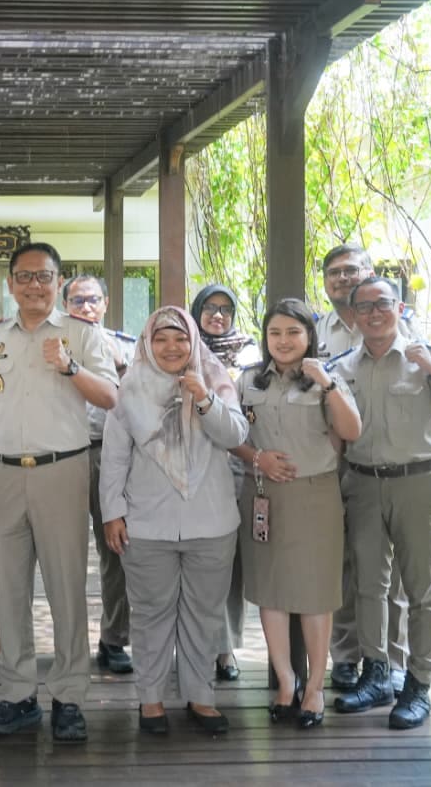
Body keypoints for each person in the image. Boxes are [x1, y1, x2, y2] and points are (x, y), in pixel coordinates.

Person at [0, 242, 119, 743]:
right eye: (25, 276)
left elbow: (111, 397)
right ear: (10, 284)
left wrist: (71, 367)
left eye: (44, 276)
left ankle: (69, 696)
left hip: (63, 471)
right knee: (9, 589)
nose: (35, 285)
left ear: (59, 282)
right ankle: (18, 694)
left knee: (66, 587)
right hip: (6, 474)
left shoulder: (82, 333)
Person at [333, 276, 431, 730]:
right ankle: (376, 673)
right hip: (363, 483)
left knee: (421, 590)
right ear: (353, 316)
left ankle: (419, 683)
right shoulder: (342, 367)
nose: (374, 313)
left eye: (383, 303)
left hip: (417, 483)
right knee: (367, 585)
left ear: (399, 308)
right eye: (364, 306)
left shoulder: (427, 357)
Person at [100, 306, 248, 736]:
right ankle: (151, 699)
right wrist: (112, 513)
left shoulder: (215, 381)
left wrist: (204, 399)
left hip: (212, 521)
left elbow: (235, 436)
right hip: (146, 522)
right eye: (161, 338)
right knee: (150, 613)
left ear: (193, 342)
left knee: (204, 613)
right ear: (147, 343)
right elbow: (114, 459)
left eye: (181, 338)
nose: (171, 347)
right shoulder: (130, 389)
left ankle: (201, 697)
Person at [229, 299, 362, 729]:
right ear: (265, 338)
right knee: (271, 589)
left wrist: (328, 385)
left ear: (309, 336)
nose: (283, 341)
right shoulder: (248, 380)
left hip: (315, 495)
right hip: (263, 493)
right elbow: (231, 434)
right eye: (275, 333)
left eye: (293, 332)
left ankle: (314, 687)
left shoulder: (327, 378)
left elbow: (351, 431)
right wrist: (258, 459)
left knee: (314, 592)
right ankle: (286, 681)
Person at [316, 244, 411, 694]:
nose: (342, 278)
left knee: (391, 575)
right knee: (343, 564)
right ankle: (346, 656)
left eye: (351, 270)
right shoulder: (317, 331)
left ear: (369, 272)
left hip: (392, 465)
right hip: (339, 464)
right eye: (334, 272)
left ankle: (391, 661)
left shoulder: (398, 326)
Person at [62, 274, 135, 675]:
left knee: (116, 549)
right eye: (77, 301)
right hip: (64, 456)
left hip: (111, 455)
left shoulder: (126, 347)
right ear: (65, 306)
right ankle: (69, 643)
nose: (86, 307)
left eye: (93, 300)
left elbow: (138, 401)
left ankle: (114, 638)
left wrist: (120, 364)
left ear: (106, 303)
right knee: (63, 552)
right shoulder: (52, 345)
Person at [190, 283, 261, 682]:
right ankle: (192, 643)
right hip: (189, 468)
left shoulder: (250, 355)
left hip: (236, 466)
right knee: (193, 557)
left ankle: (225, 647)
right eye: (210, 308)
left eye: (225, 309)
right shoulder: (182, 348)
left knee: (229, 562)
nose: (217, 315)